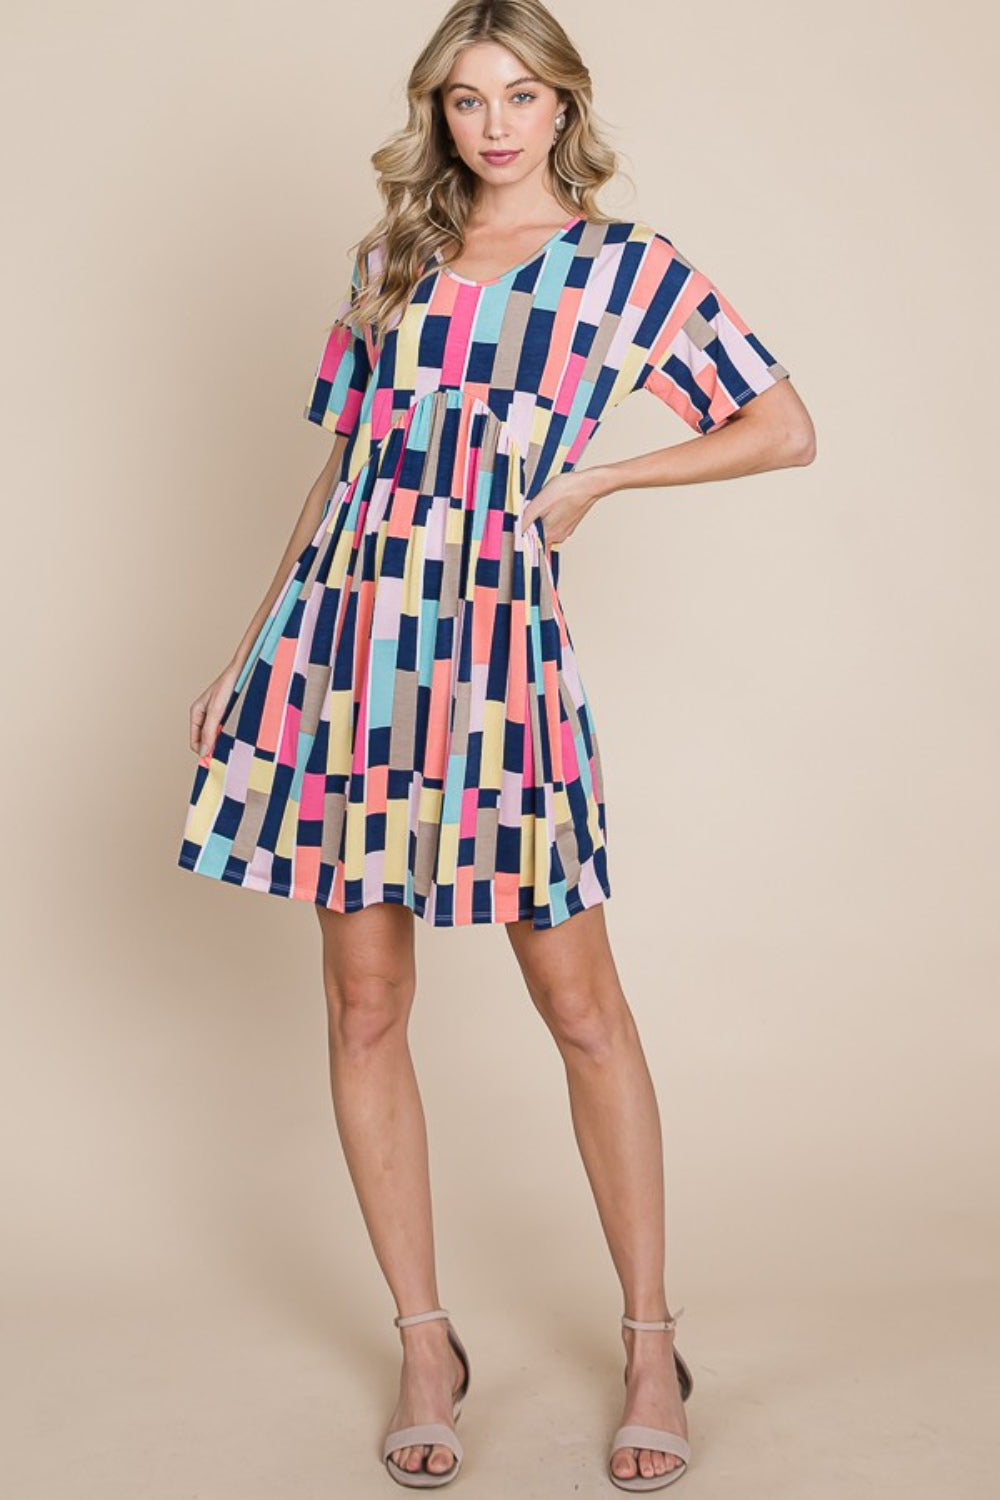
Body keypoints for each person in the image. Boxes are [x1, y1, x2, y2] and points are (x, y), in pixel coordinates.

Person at [176, 0, 815, 1490]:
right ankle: (423, 1338)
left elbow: (782, 427)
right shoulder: (390, 258)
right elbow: (344, 473)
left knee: (581, 1004)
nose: (496, 125)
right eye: (467, 99)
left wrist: (596, 480)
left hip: (496, 660)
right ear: (439, 115)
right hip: (344, 652)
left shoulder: (623, 269)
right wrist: (244, 648)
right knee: (363, 1003)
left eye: (522, 94)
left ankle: (651, 1337)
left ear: (564, 106)